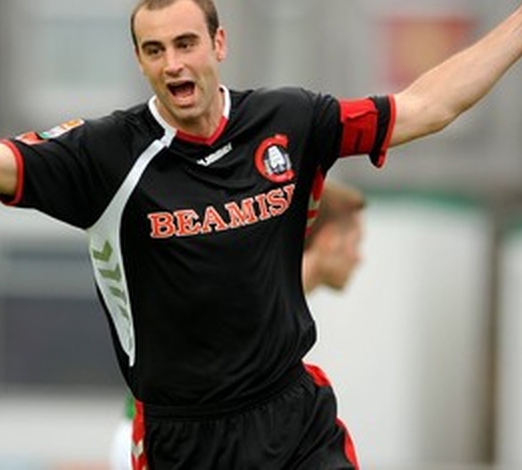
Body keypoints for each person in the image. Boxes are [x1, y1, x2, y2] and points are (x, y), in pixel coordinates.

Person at [0, 0, 522, 469]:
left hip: (292, 414)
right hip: (185, 436)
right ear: (143, 62)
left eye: (187, 43)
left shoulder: (291, 120)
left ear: (219, 42)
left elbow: (424, 107)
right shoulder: (105, 153)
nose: (175, 63)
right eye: (155, 51)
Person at [107, 179, 367, 469]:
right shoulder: (266, 287)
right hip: (165, 443)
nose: (359, 258)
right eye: (356, 243)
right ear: (330, 238)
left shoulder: (280, 292)